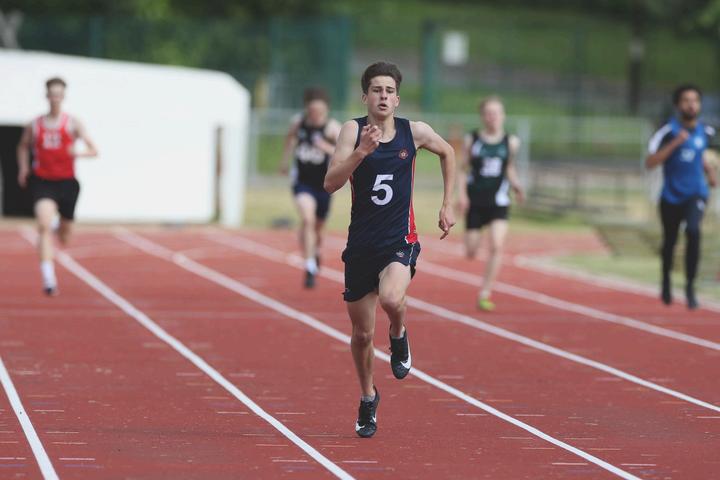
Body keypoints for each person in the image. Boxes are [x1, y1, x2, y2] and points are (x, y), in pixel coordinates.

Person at [324, 61, 455, 438]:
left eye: (389, 91)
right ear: (364, 96)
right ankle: (368, 396)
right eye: (376, 90)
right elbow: (330, 183)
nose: (383, 97)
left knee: (392, 298)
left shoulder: (415, 132)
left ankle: (398, 333)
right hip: (361, 246)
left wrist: (447, 204)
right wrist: (361, 153)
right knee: (362, 335)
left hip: (399, 240)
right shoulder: (352, 131)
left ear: (397, 99)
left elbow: (448, 153)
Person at [16, 77, 98, 296]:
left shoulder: (72, 123)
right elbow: (22, 147)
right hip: (43, 181)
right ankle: (49, 279)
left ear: (63, 97)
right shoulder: (35, 125)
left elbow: (94, 150)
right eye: (52, 94)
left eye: (58, 94)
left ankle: (58, 226)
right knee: (43, 225)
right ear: (47, 96)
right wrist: (23, 168)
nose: (55, 98)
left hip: (67, 183)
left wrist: (77, 152)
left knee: (65, 237)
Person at [646, 84, 717, 310]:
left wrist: (710, 171)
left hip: (696, 193)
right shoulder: (668, 132)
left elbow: (699, 154)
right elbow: (650, 162)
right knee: (670, 241)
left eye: (695, 100)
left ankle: (690, 287)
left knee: (693, 232)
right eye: (686, 100)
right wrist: (675, 143)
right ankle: (666, 281)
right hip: (671, 196)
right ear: (678, 105)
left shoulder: (706, 131)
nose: (691, 105)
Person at [455, 96, 524, 311]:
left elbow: (509, 167)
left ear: (503, 116)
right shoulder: (473, 140)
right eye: (488, 113)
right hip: (475, 201)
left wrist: (517, 185)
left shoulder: (511, 142)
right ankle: (474, 239)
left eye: (496, 113)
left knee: (496, 245)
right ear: (482, 116)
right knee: (471, 251)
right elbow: (462, 169)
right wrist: (462, 195)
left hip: (498, 202)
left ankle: (485, 292)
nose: (492, 117)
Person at [279, 87, 341, 288]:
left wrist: (326, 147)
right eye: (312, 111)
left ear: (326, 110)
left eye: (319, 112)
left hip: (324, 184)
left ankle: (315, 252)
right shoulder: (299, 123)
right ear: (307, 109)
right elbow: (289, 139)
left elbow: (346, 152)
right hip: (302, 182)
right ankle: (309, 266)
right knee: (307, 219)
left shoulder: (332, 128)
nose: (315, 115)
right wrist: (285, 160)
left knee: (318, 229)